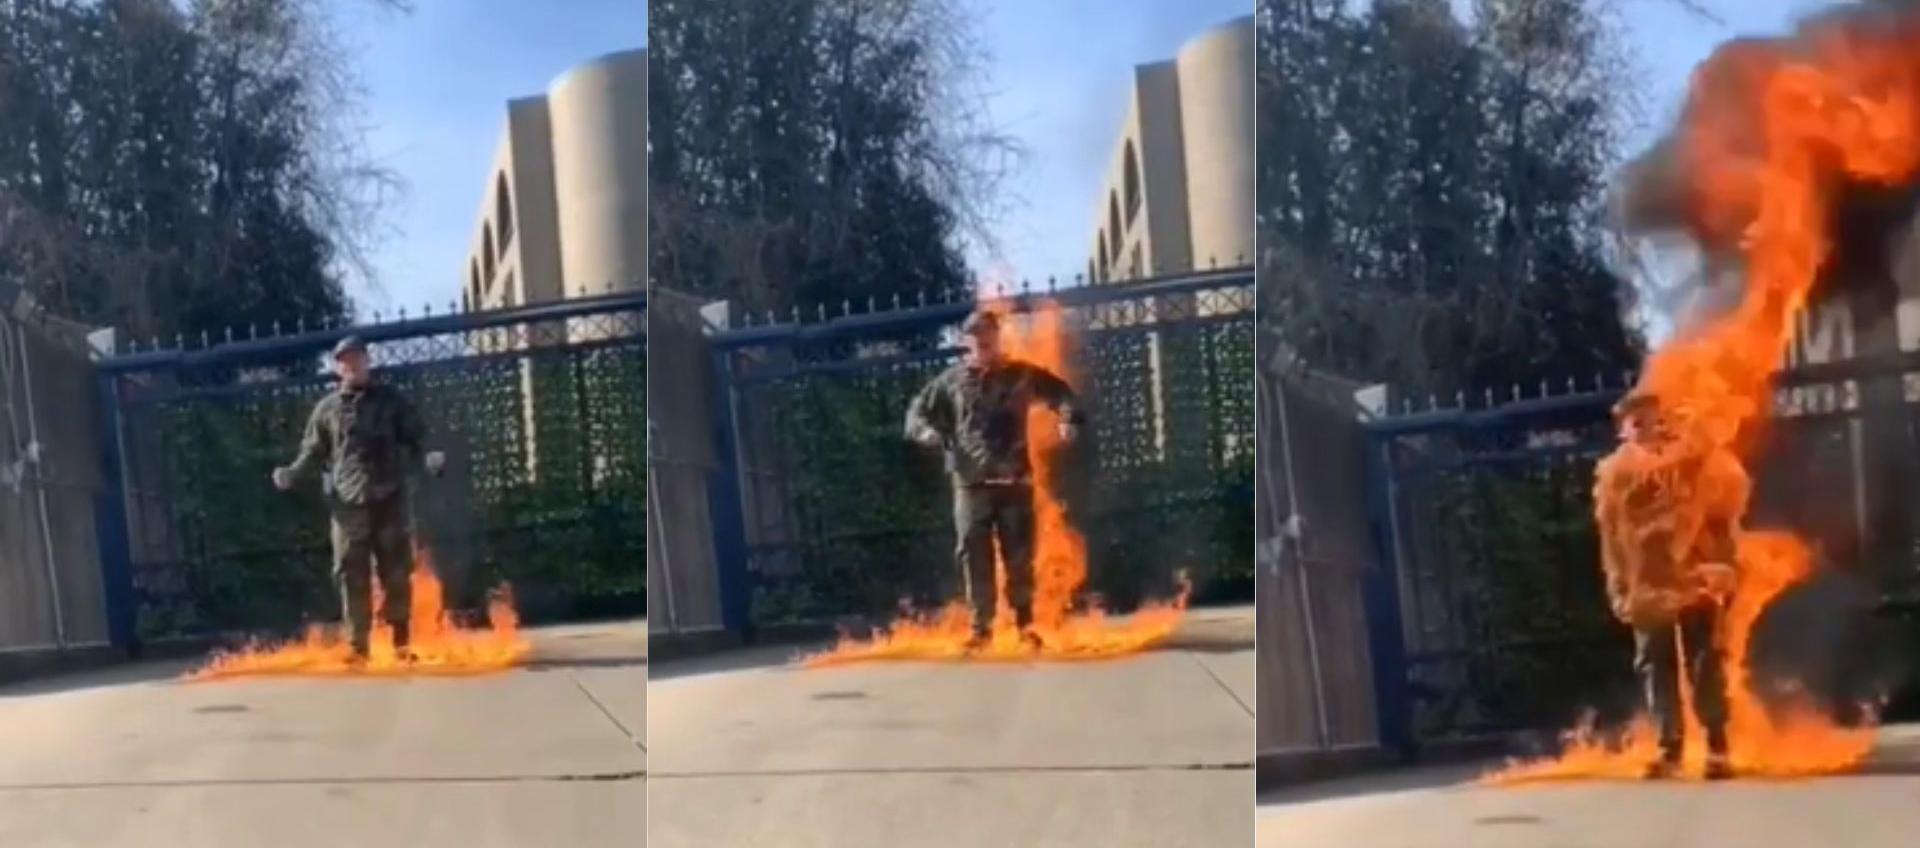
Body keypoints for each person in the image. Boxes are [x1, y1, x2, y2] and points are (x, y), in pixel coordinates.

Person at [904, 308, 1084, 652]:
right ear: (965, 341)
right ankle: (981, 628)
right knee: (973, 553)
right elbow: (917, 411)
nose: (982, 340)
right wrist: (924, 432)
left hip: (1014, 481)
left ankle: (1025, 625)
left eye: (987, 333)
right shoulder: (950, 382)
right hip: (970, 484)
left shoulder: (1021, 375)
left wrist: (1067, 419)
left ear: (997, 336)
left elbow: (1062, 395)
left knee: (1019, 554)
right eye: (975, 335)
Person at [1593, 389, 1743, 780]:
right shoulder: (1613, 478)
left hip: (1697, 580)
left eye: (1654, 420)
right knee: (1655, 667)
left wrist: (1725, 565)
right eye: (1636, 423)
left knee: (1705, 662)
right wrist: (1618, 586)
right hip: (1646, 587)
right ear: (1623, 430)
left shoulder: (1694, 463)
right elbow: (1611, 539)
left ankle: (1716, 745)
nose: (1648, 429)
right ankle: (1670, 748)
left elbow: (1720, 515)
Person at [272, 336, 445, 664]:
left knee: (395, 571)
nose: (352, 366)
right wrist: (292, 473)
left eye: (357, 359)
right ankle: (357, 646)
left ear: (368, 361)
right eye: (345, 361)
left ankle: (400, 643)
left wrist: (430, 457)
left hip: (389, 497)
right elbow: (312, 451)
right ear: (337, 368)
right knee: (350, 572)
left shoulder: (391, 401)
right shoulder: (327, 410)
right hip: (347, 503)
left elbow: (416, 437)